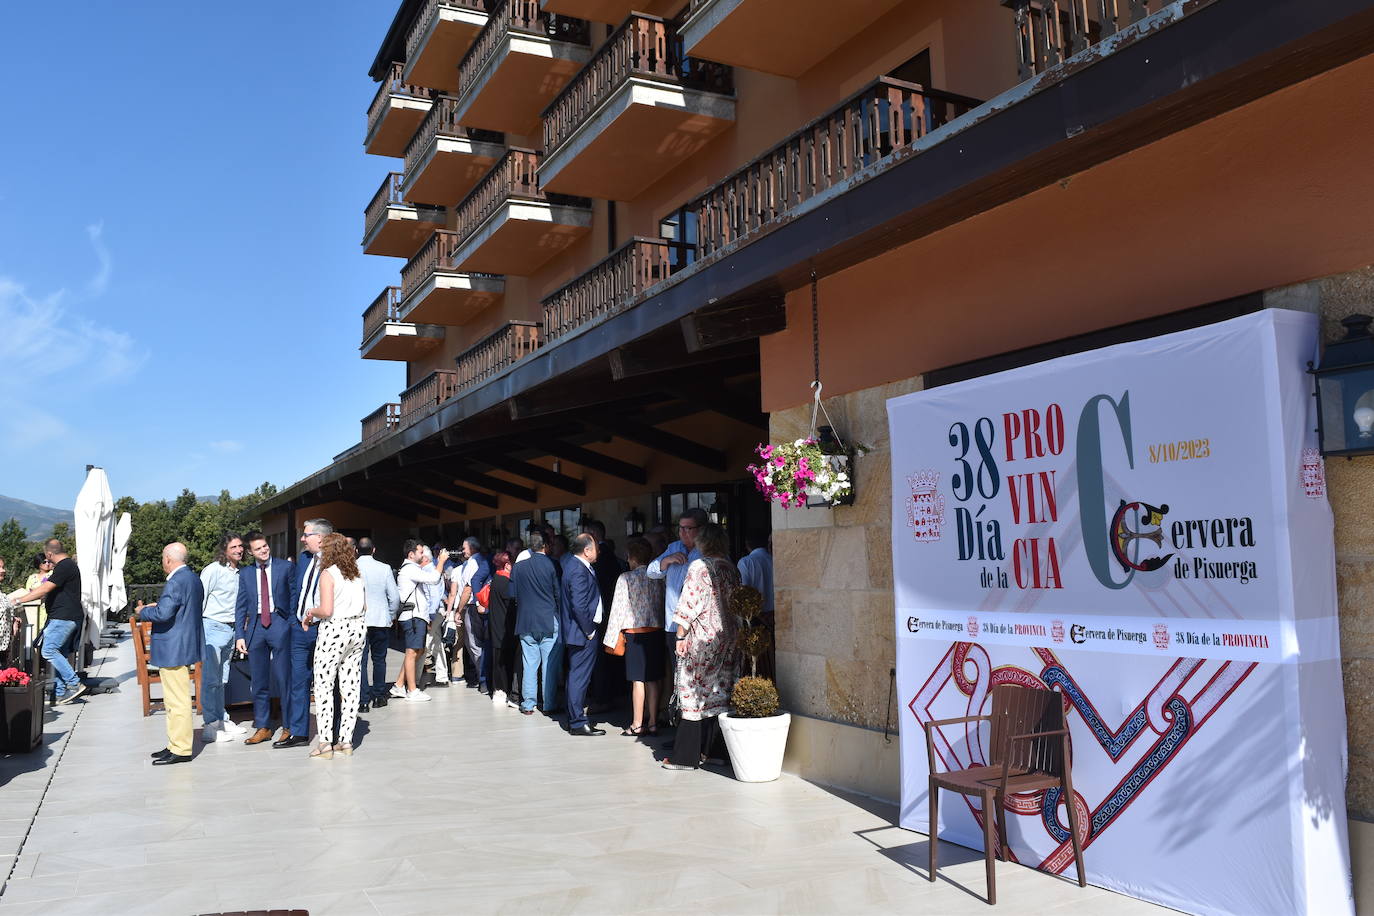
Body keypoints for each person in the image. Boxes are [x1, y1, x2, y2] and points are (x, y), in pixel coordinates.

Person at [664, 523, 741, 770]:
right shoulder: (730, 567)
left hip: (702, 638)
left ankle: (686, 756)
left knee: (692, 692)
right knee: (720, 692)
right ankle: (716, 751)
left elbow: (689, 602)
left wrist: (680, 635)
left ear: (702, 542)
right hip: (728, 637)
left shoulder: (700, 567)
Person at [135, 543, 206, 766]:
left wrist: (143, 611)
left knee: (177, 701)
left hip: (174, 647)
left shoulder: (176, 581)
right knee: (175, 700)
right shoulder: (193, 578)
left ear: (168, 559)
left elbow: (164, 613)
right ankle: (174, 744)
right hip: (183, 644)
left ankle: (182, 748)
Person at [304, 533, 366, 759]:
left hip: (334, 630)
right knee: (350, 685)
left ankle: (325, 743)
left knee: (324, 686)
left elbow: (327, 610)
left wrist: (311, 611)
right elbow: (365, 606)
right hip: (357, 628)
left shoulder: (328, 574)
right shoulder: (356, 574)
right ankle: (346, 741)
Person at [235, 531, 296, 746]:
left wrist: (291, 625)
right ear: (251, 552)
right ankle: (263, 727)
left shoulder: (285, 567)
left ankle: (289, 726)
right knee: (259, 682)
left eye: (265, 546)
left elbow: (294, 597)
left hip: (280, 624)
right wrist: (239, 635)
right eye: (258, 548)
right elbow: (241, 606)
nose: (264, 550)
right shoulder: (245, 574)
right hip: (255, 629)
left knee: (284, 678)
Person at [8, 538, 86, 704]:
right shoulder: (68, 566)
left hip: (63, 617)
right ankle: (59, 692)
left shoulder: (64, 566)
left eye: (46, 556)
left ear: (49, 553)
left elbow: (45, 587)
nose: (47, 560)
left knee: (48, 651)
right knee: (60, 653)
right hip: (67, 616)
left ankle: (74, 683)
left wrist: (19, 600)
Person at [603, 537, 666, 737]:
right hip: (656, 630)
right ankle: (654, 722)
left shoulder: (626, 578)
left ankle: (638, 723)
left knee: (638, 680)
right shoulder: (658, 577)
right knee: (654, 679)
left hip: (634, 633)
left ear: (631, 557)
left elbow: (618, 609)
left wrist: (610, 637)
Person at [283, 518, 332, 750]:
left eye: (306, 535)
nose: (302, 538)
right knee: (298, 682)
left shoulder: (336, 563)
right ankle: (299, 732)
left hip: (325, 630)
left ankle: (331, 732)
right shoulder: (304, 559)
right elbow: (296, 589)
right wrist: (295, 618)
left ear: (320, 538)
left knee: (328, 683)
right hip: (300, 630)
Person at [199, 532, 247, 744]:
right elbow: (200, 600)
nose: (239, 550)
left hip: (231, 630)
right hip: (212, 626)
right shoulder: (212, 570)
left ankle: (221, 719)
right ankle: (210, 725)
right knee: (211, 680)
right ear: (224, 550)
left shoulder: (240, 572)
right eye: (234, 547)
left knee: (222, 679)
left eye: (240, 546)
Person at [512, 531, 561, 716]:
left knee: (529, 664)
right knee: (549, 664)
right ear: (545, 546)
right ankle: (548, 704)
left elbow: (513, 593)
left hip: (525, 620)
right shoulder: (552, 565)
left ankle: (528, 704)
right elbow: (558, 594)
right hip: (548, 619)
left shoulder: (519, 567)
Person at [393, 539, 448, 702]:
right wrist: (442, 561)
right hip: (412, 616)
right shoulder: (410, 569)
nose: (423, 554)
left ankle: (398, 685)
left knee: (417, 651)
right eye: (420, 552)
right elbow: (433, 579)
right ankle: (412, 690)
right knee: (412, 652)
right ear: (411, 554)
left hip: (417, 616)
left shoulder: (412, 568)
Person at [561, 533, 605, 736]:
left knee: (576, 676)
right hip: (581, 632)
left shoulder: (574, 565)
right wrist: (589, 631)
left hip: (578, 631)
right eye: (595, 547)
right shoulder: (578, 569)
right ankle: (578, 721)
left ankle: (576, 718)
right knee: (579, 677)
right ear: (587, 550)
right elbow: (578, 605)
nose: (598, 551)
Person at [356, 538, 399, 709]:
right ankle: (379, 696)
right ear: (373, 550)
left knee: (361, 661)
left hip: (359, 620)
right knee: (379, 659)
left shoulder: (352, 568)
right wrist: (390, 614)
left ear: (356, 551)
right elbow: (394, 597)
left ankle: (363, 700)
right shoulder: (384, 568)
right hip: (380, 619)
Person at [455, 537, 491, 693]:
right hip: (476, 606)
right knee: (476, 644)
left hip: (473, 606)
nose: (462, 550)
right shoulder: (473, 562)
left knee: (474, 644)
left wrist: (458, 610)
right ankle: (483, 676)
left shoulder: (473, 563)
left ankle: (484, 677)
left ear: (473, 548)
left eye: (465, 548)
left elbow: (468, 589)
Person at [484, 551, 517, 708]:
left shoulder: (495, 579)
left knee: (497, 659)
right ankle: (502, 690)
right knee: (504, 661)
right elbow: (512, 605)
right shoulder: (505, 582)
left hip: (495, 624)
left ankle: (497, 690)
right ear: (508, 564)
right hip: (504, 627)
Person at [420, 546, 450, 687]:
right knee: (437, 643)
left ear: (425, 558)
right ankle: (442, 676)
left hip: (433, 613)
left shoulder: (429, 571)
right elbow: (439, 593)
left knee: (423, 645)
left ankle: (413, 677)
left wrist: (430, 618)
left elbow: (433, 595)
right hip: (437, 612)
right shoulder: (432, 570)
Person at [736, 533, 774, 614]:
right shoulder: (774, 559)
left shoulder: (745, 562)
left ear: (747, 545)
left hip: (756, 614)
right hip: (776, 612)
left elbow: (743, 590)